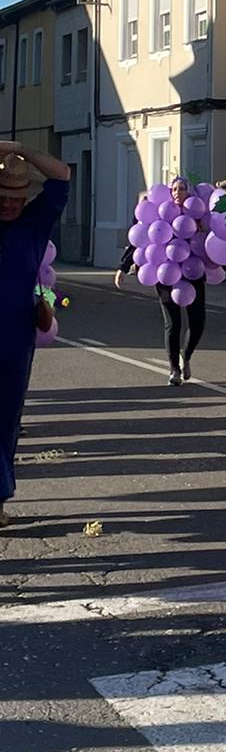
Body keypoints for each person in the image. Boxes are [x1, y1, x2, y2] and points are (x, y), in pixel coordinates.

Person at [0, 142, 70, 530]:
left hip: (15, 341)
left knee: (7, 422)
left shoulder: (33, 223)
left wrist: (20, 149)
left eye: (16, 197)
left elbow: (61, 175)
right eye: (3, 196)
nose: (10, 204)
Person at [115, 176, 226, 387]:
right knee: (172, 324)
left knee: (198, 322)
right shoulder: (159, 215)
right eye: (174, 189)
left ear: (189, 192)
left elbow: (215, 242)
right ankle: (174, 369)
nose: (177, 192)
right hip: (165, 272)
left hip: (193, 272)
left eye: (182, 189)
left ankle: (186, 356)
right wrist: (123, 267)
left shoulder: (199, 216)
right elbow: (140, 239)